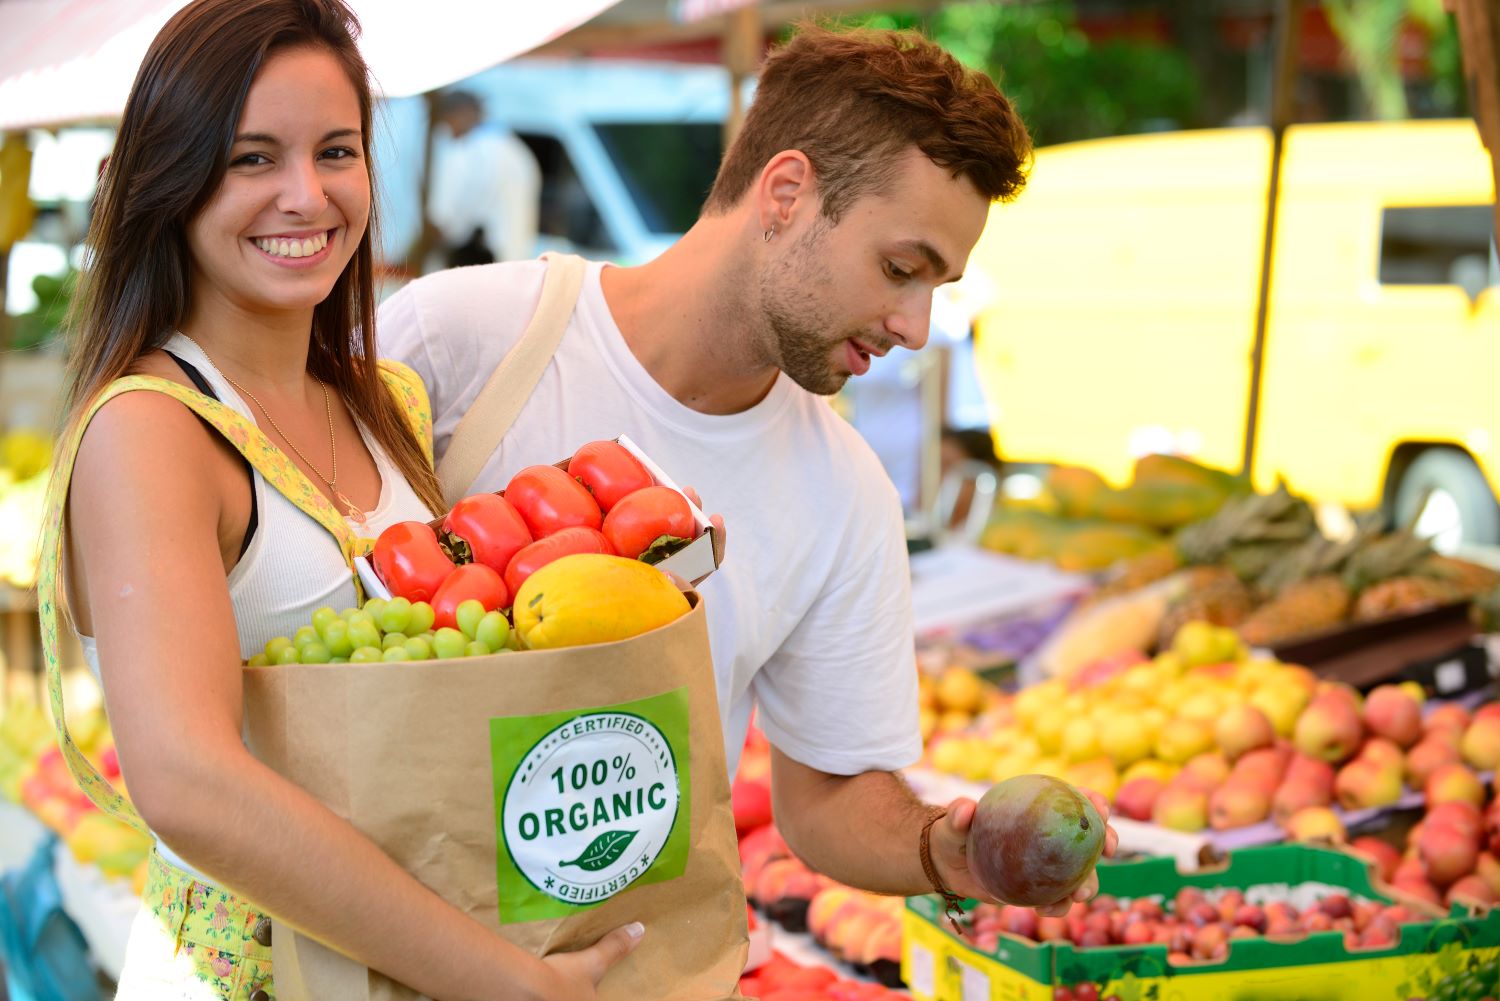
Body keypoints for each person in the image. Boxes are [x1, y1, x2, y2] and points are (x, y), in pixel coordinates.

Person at [381, 25, 1117, 914]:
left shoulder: (846, 493)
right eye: (899, 268)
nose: (917, 326)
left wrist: (941, 851)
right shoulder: (456, 339)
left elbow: (826, 799)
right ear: (786, 193)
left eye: (937, 287)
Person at [44, 1, 639, 997]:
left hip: (414, 955)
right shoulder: (149, 428)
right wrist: (496, 975)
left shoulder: (384, 401)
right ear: (170, 179)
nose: (305, 195)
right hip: (259, 972)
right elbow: (187, 781)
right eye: (251, 159)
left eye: (337, 150)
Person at [428, 89, 541, 267]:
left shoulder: (468, 151)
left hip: (480, 258)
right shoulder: (516, 149)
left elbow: (446, 216)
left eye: (447, 122)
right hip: (516, 261)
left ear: (462, 113)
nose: (448, 130)